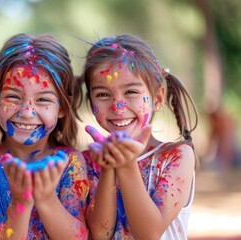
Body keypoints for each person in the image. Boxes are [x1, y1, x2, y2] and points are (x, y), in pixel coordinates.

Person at [0, 33, 89, 239]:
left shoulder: (70, 163)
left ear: (62, 107)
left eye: (43, 100)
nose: (26, 111)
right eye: (13, 97)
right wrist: (20, 203)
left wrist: (46, 198)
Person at [78, 34, 198, 239]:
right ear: (91, 103)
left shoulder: (177, 156)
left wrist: (125, 164)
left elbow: (148, 234)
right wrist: (108, 167)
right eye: (103, 95)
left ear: (157, 98)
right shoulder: (89, 161)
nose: (118, 106)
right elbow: (100, 233)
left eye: (131, 92)